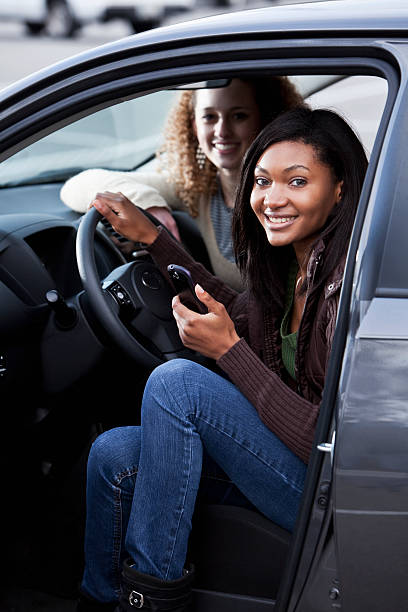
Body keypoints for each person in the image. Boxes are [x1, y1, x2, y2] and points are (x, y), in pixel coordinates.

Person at [76, 107, 368, 612]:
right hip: (293, 469)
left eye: (296, 182)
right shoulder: (294, 266)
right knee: (114, 456)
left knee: (178, 385)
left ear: (340, 188)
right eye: (261, 181)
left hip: (327, 493)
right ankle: (100, 602)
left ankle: (149, 599)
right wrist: (154, 240)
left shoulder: (344, 284)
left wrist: (228, 351)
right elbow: (239, 314)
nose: (272, 199)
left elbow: (325, 438)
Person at [61, 77, 303, 290]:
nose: (222, 130)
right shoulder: (198, 190)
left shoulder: (295, 193)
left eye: (239, 116)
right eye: (209, 117)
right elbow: (76, 187)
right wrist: (150, 205)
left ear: (265, 120)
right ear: (194, 126)